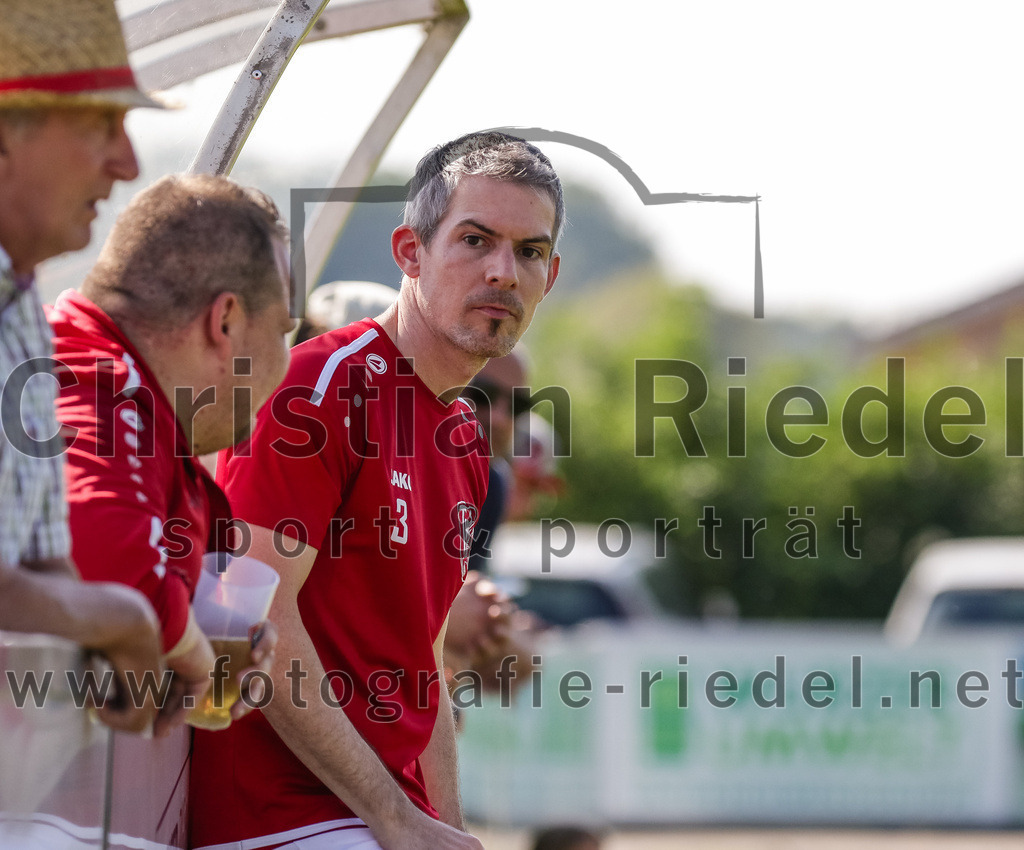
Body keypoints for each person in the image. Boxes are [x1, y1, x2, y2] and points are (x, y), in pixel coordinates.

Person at [190, 130, 563, 850]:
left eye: (529, 251)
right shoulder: (317, 388)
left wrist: (445, 828)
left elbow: (424, 663)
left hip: (371, 818)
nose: (503, 273)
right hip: (280, 820)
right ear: (409, 253)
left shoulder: (463, 442)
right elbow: (248, 615)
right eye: (475, 240)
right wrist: (395, 818)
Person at [49, 173, 290, 726]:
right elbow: (106, 551)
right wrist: (195, 660)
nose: (289, 357)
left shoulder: (115, 390)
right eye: (283, 329)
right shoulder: (105, 390)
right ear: (225, 321)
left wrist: (188, 639)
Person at [0, 0, 170, 733]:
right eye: (102, 123)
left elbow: (38, 562)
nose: (127, 162)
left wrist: (111, 639)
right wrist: (122, 618)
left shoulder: (22, 307)